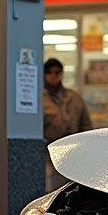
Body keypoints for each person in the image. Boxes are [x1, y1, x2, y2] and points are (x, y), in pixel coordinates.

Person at [43, 57, 91, 191]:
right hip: (49, 152)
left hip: (73, 151)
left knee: (72, 190)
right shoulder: (39, 98)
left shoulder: (74, 98)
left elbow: (86, 126)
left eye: (57, 73)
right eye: (49, 73)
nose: (53, 76)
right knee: (51, 190)